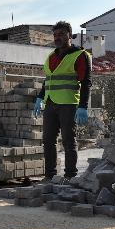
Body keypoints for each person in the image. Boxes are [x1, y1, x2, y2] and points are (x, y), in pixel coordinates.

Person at [32, 21, 92, 183]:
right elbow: (49, 79)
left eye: (61, 34)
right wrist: (40, 98)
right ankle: (50, 175)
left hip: (69, 103)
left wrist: (83, 107)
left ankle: (70, 175)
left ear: (70, 36)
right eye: (55, 35)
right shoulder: (52, 56)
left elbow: (86, 82)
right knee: (48, 140)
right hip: (51, 103)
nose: (57, 38)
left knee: (68, 140)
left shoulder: (80, 55)